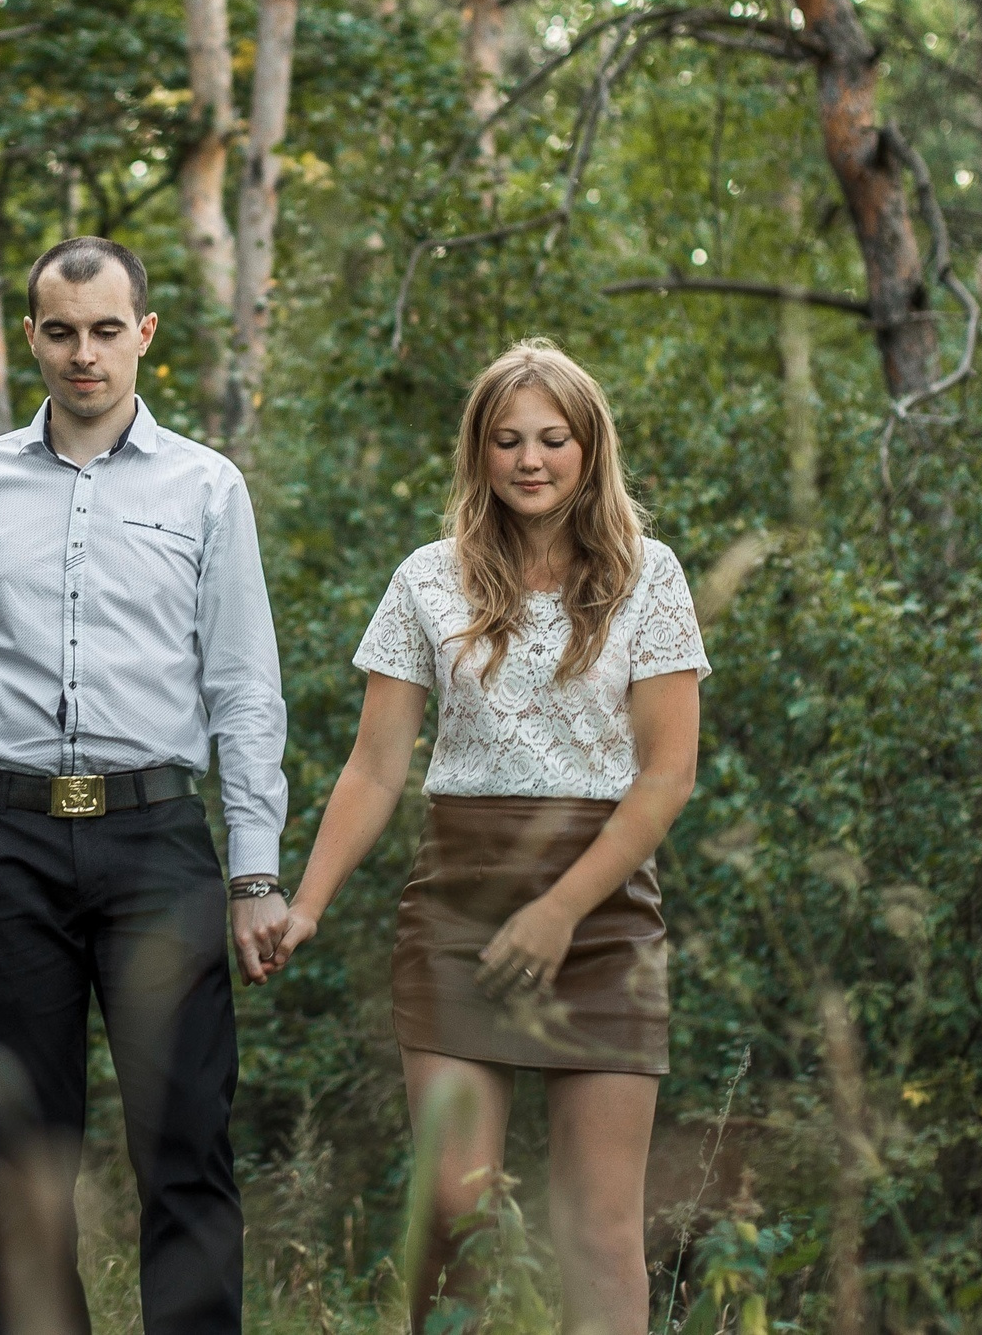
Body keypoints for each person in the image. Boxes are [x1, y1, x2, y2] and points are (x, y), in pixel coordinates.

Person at [0, 236, 293, 1335]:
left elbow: (243, 688)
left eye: (104, 331)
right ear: (32, 336)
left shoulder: (205, 486)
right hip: (3, 844)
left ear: (143, 335)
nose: (82, 355)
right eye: (60, 332)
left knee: (185, 1143)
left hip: (158, 844)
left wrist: (254, 873)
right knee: (26, 1157)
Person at [275, 339, 708, 1334]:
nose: (529, 460)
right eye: (506, 439)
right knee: (455, 1215)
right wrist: (306, 903)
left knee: (597, 1231)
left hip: (601, 918)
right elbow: (376, 767)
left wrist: (561, 911)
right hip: (458, 910)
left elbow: (667, 775)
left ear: (589, 448)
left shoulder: (653, 578)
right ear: (479, 451)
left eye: (552, 438)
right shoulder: (427, 580)